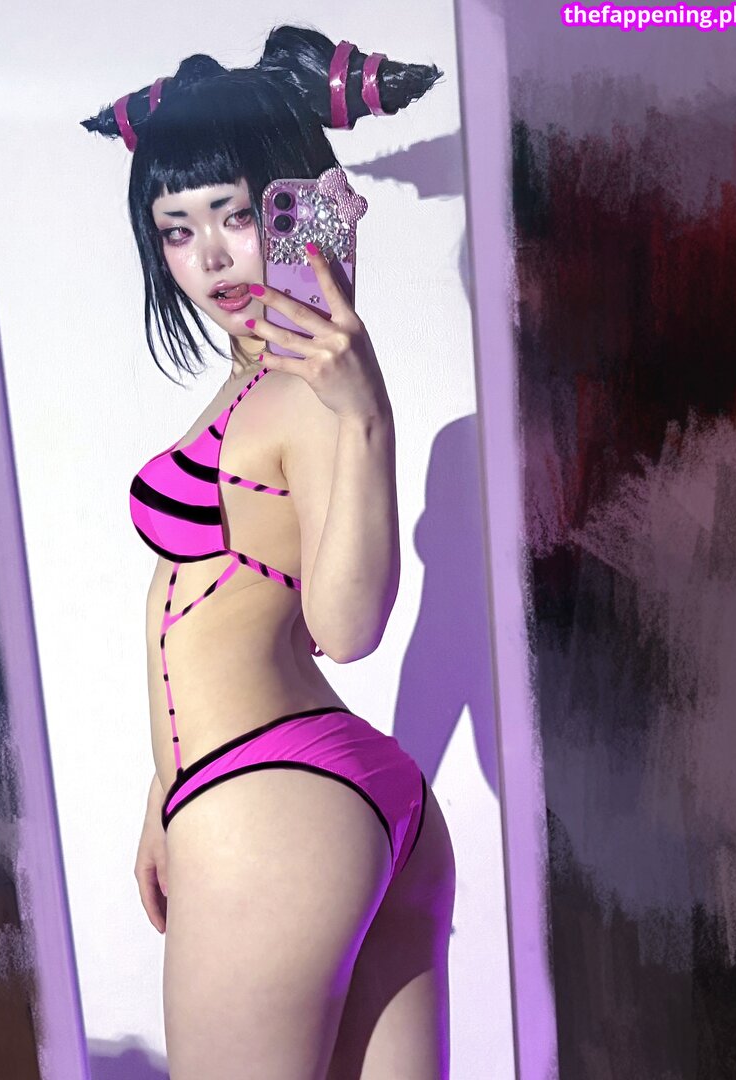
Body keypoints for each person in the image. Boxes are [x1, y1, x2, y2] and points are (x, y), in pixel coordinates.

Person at [81, 24, 456, 1079]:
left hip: (269, 798)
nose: (208, 257)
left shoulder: (311, 385)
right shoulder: (258, 376)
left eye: (237, 216)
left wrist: (366, 416)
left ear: (298, 205)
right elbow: (212, 612)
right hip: (318, 791)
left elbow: (346, 627)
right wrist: (166, 792)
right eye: (177, 228)